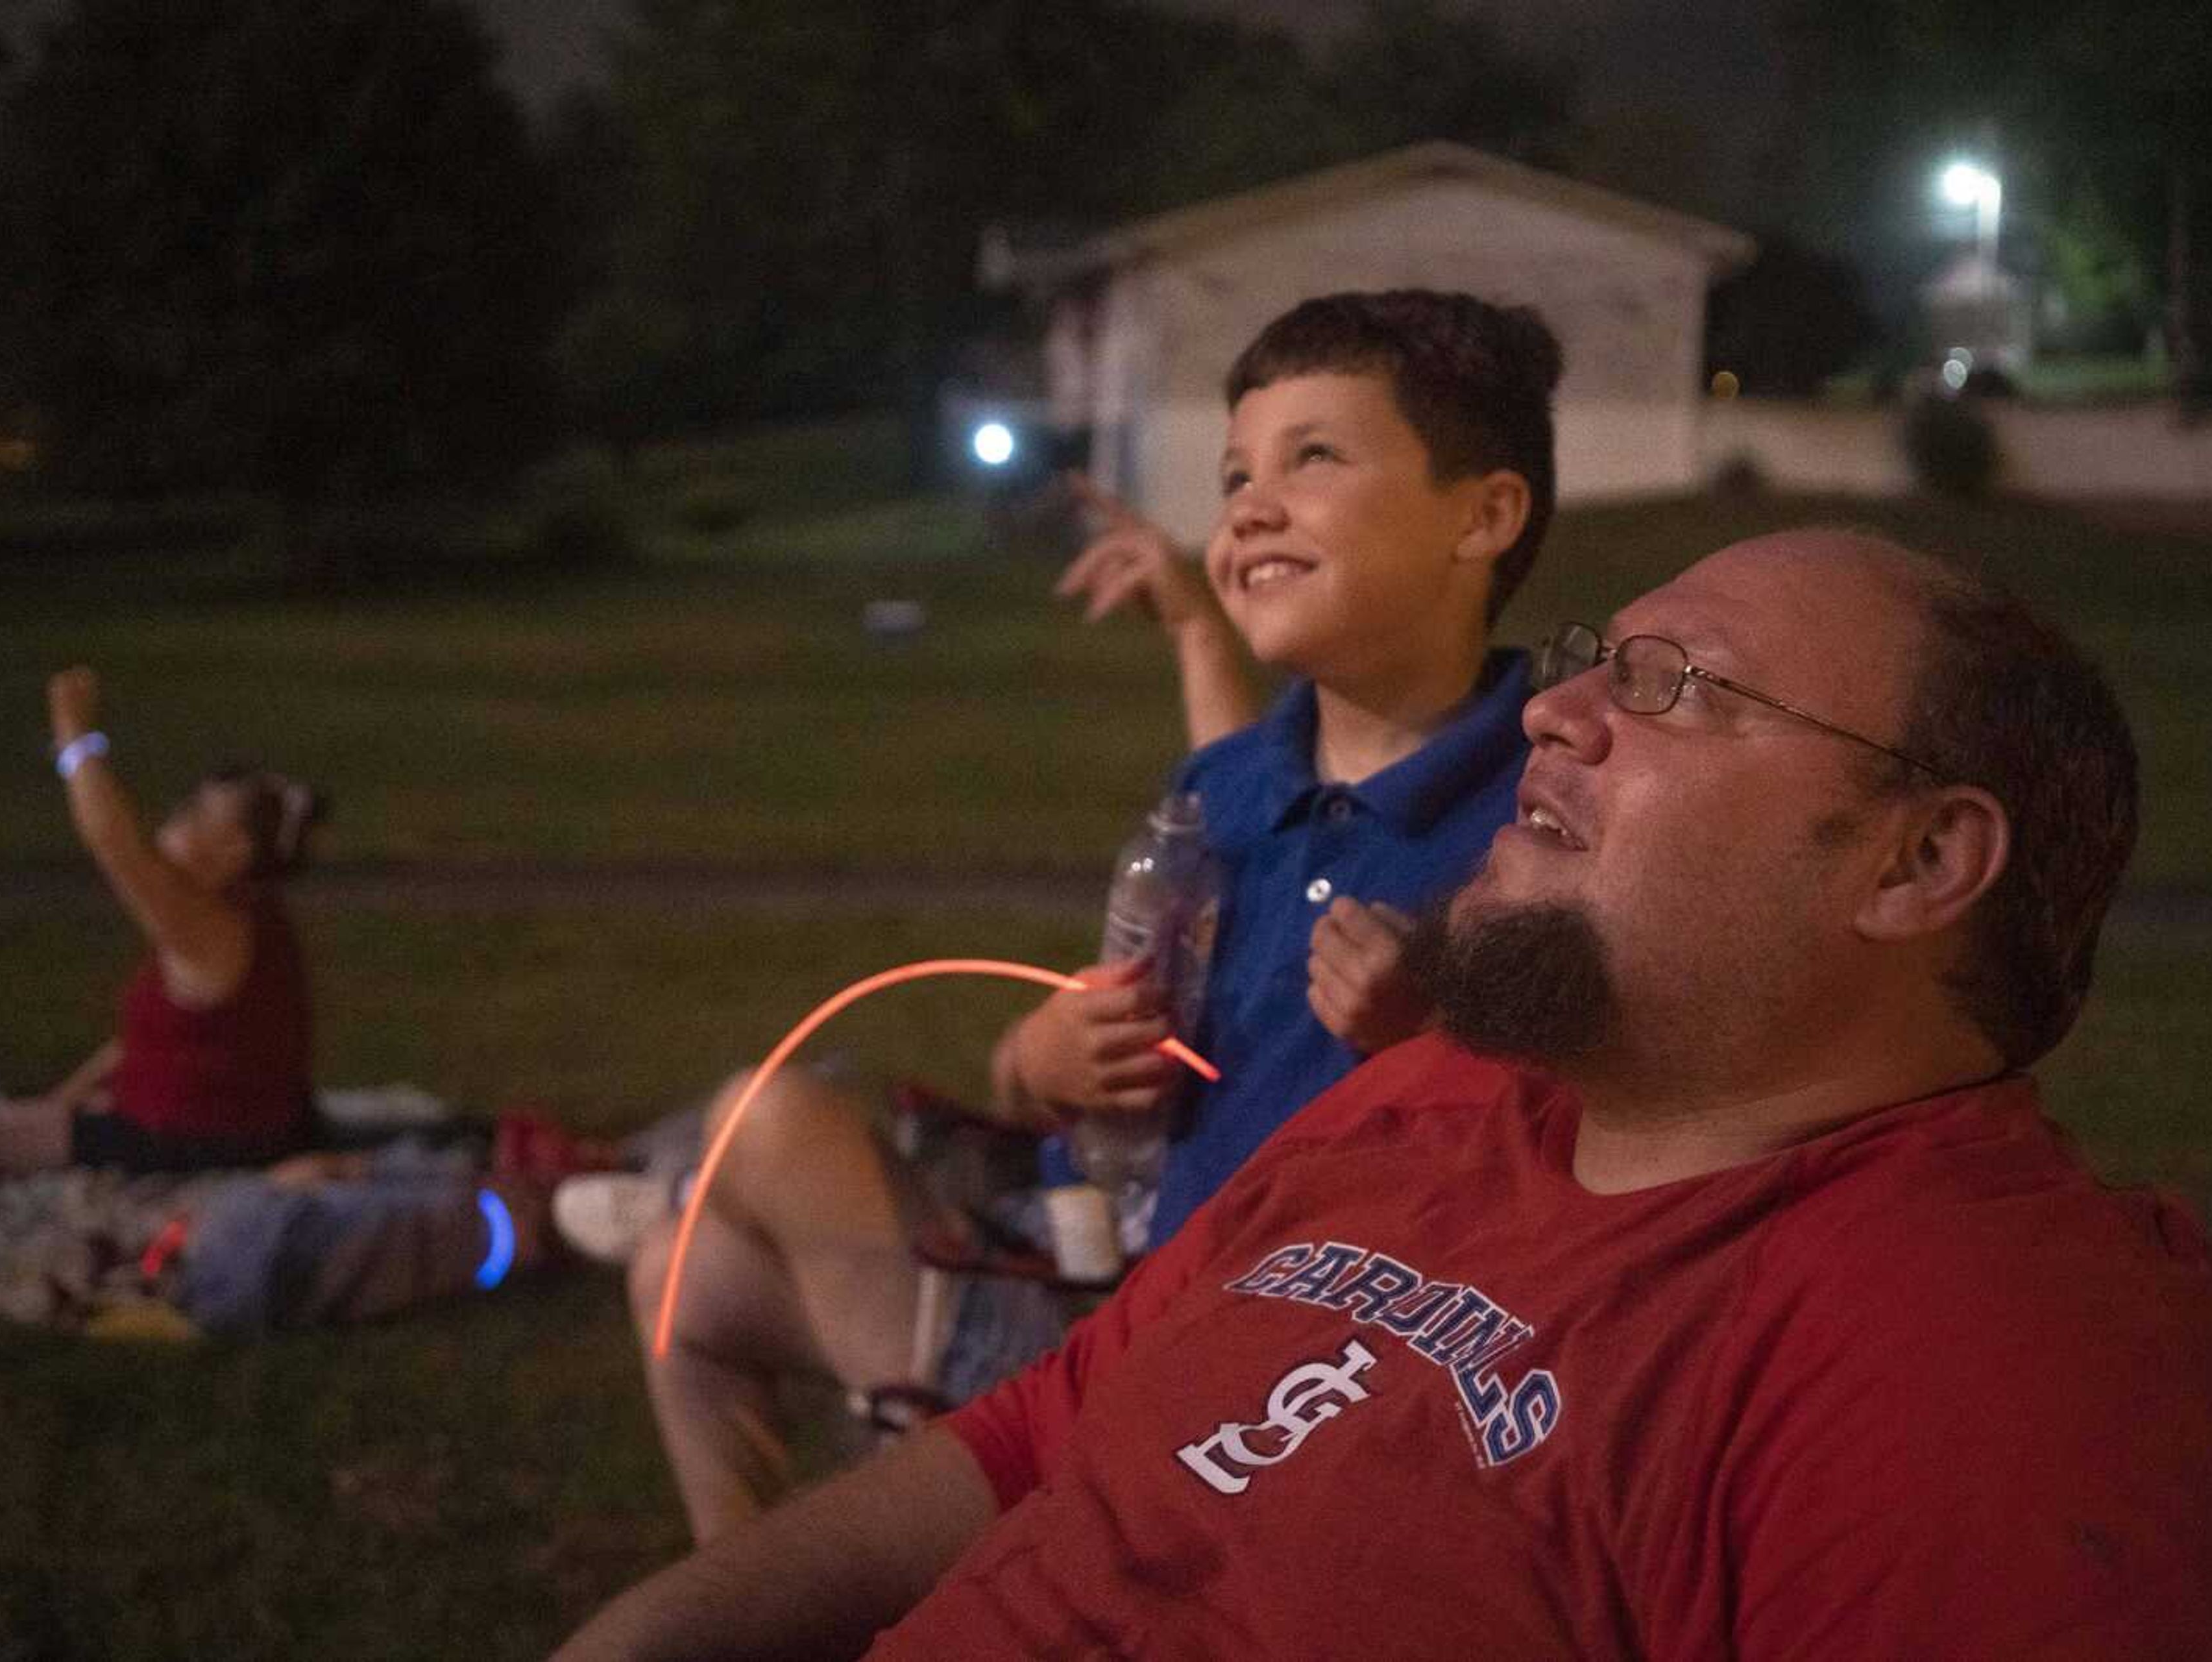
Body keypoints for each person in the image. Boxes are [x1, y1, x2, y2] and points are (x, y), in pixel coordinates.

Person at [554, 530, 2212, 1660]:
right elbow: (1031, 1442)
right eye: (1594, 663)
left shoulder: (1991, 1370)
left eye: (1672, 688)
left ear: (1919, 858)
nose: (1555, 712)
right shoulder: (1437, 1097)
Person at [600, 289, 1565, 1542]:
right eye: (1234, 474)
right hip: (1079, 1264)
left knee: (770, 1121)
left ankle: (964, 1531)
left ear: (1485, 515)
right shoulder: (1227, 788)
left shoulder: (1542, 806)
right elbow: (1120, 1028)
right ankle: (802, 1590)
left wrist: (1441, 1030)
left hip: (1221, 1370)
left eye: (1313, 456)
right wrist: (1047, 1057)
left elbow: (1593, 1120)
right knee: (683, 1275)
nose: (1250, 505)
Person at [0, 666, 328, 1181]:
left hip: (202, 1144)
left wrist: (74, 733)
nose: (174, 818)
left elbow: (114, 842)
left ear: (233, 851)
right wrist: (65, 1101)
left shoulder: (206, 923)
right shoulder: (248, 911)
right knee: (5, 1126)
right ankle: (2, 1118)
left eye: (194, 813)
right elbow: (162, 1041)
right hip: (257, 1129)